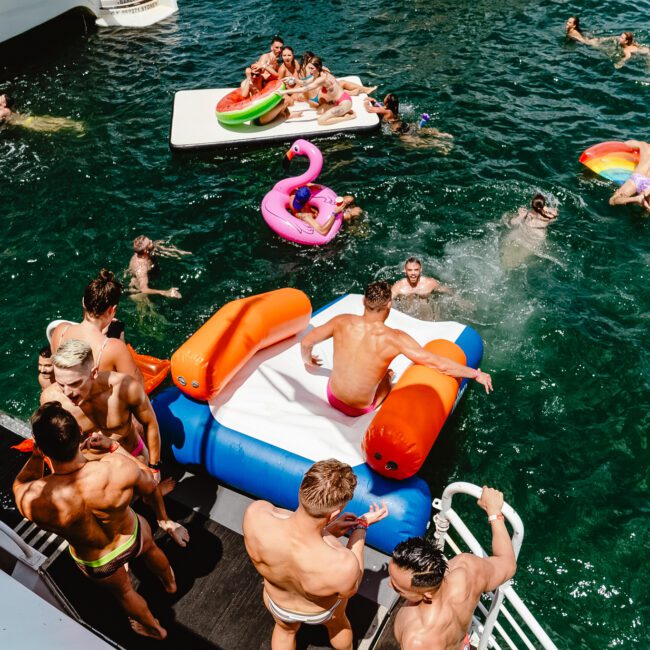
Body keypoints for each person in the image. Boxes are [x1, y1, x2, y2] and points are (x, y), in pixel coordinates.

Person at [13, 402, 182, 640]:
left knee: (125, 593)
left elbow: (19, 485)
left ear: (42, 448)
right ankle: (170, 583)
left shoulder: (35, 499)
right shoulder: (115, 468)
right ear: (80, 433)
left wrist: (36, 454)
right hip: (131, 535)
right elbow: (149, 482)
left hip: (97, 562)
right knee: (152, 547)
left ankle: (155, 629)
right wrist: (114, 447)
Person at [243, 458, 388, 650]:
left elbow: (295, 535)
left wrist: (329, 529)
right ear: (335, 513)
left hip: (277, 602)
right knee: (338, 626)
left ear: (301, 490)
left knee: (285, 631)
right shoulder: (342, 563)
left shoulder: (256, 514)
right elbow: (351, 588)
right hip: (320, 612)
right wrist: (361, 525)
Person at [301, 281, 492, 417]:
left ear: (363, 302)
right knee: (387, 373)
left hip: (333, 396)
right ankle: (387, 378)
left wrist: (308, 360)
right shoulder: (395, 338)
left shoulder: (341, 321)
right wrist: (475, 374)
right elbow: (438, 364)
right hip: (360, 408)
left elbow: (307, 342)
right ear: (389, 304)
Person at [389, 486, 517, 650]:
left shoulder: (417, 641)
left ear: (427, 594)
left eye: (397, 587)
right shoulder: (467, 569)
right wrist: (494, 512)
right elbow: (507, 563)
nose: (389, 585)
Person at [50, 269, 143, 383]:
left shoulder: (60, 330)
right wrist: (120, 343)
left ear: (83, 302)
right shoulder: (114, 348)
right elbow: (138, 386)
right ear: (112, 310)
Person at [281, 57, 356, 126]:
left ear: (318, 68)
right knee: (319, 111)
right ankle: (344, 112)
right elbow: (304, 83)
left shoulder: (322, 79)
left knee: (321, 121)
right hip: (336, 102)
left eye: (312, 68)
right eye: (309, 68)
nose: (310, 71)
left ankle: (348, 117)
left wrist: (283, 92)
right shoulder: (318, 74)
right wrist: (293, 79)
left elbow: (305, 89)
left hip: (344, 103)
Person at [0, 93, 84, 134]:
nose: (0, 97)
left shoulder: (4, 110)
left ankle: (77, 126)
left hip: (27, 123)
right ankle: (76, 124)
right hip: (29, 118)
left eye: (1, 97)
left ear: (4, 104)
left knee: (52, 127)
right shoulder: (9, 109)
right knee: (53, 121)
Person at [608, 140, 650, 212]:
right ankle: (643, 200)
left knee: (613, 200)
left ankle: (635, 199)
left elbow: (625, 144)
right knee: (646, 211)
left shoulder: (644, 145)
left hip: (637, 178)